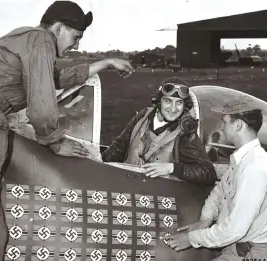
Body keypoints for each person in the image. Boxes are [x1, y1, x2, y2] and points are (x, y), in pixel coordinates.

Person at [0, 1, 133, 261]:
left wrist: (105, 63)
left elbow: (57, 78)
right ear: (58, 27)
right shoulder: (41, 39)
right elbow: (42, 105)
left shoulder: (32, 42)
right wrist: (55, 142)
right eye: (75, 37)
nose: (77, 45)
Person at [163, 97, 267, 260]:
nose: (222, 129)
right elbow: (219, 191)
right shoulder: (243, 159)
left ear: (238, 125)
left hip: (253, 252)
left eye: (225, 122)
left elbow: (235, 229)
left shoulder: (254, 167)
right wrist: (206, 219)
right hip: (237, 247)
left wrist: (192, 238)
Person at [102, 78, 217, 186]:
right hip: (128, 187)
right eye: (168, 101)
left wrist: (172, 168)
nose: (173, 109)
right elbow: (118, 149)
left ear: (185, 106)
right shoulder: (143, 117)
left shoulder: (185, 133)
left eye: (179, 103)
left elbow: (208, 173)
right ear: (159, 101)